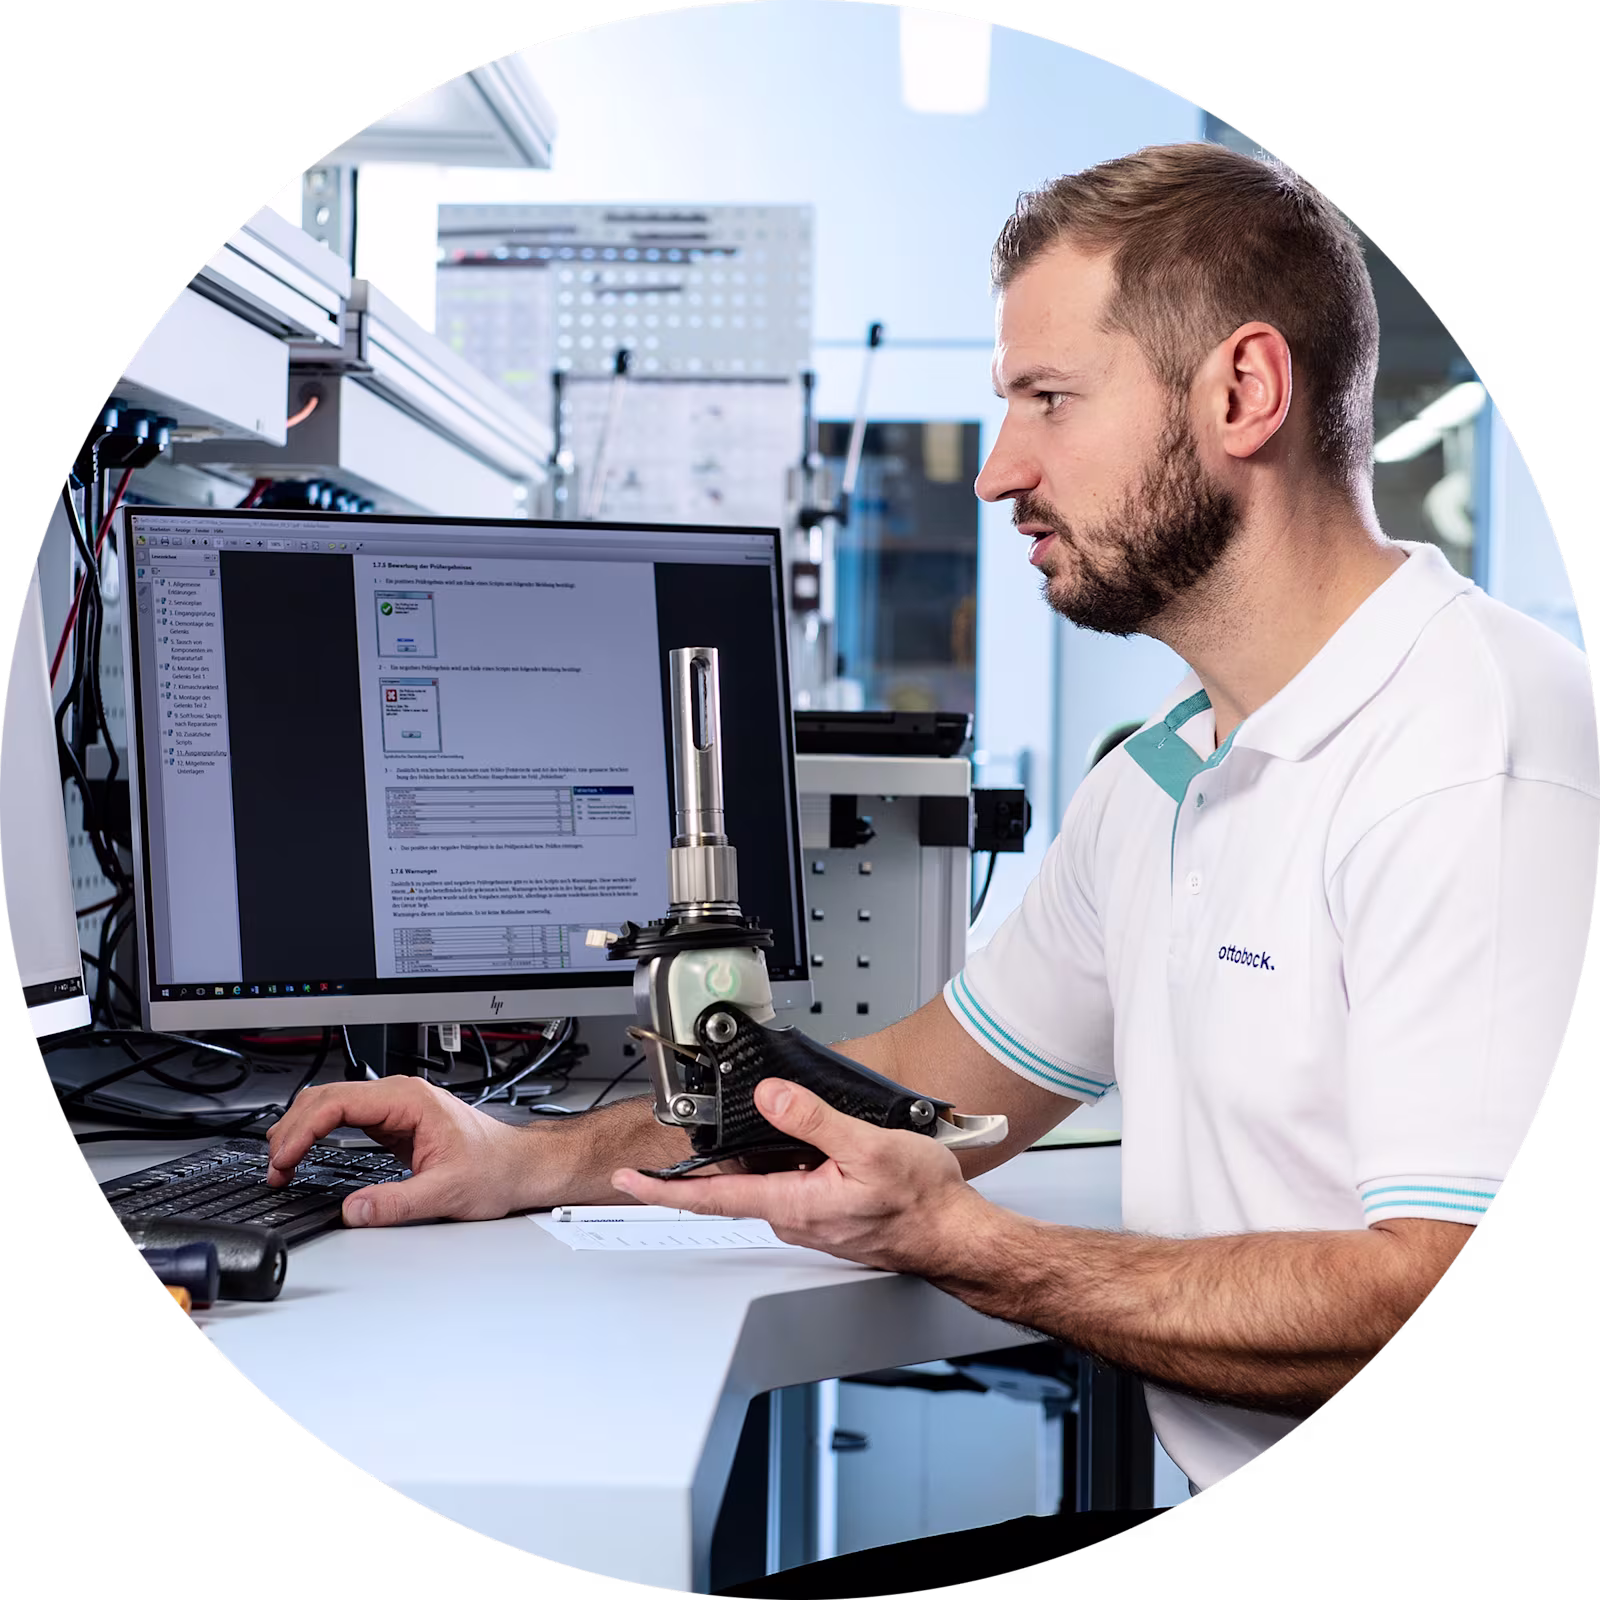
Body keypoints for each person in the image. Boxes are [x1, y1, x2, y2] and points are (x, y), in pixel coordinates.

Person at [264, 143, 1598, 1492]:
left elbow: (1423, 1290)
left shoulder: (1474, 751)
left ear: (1242, 391)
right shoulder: (1164, 777)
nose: (997, 470)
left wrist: (969, 1245)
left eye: (1050, 399)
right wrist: (524, 1156)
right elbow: (912, 1082)